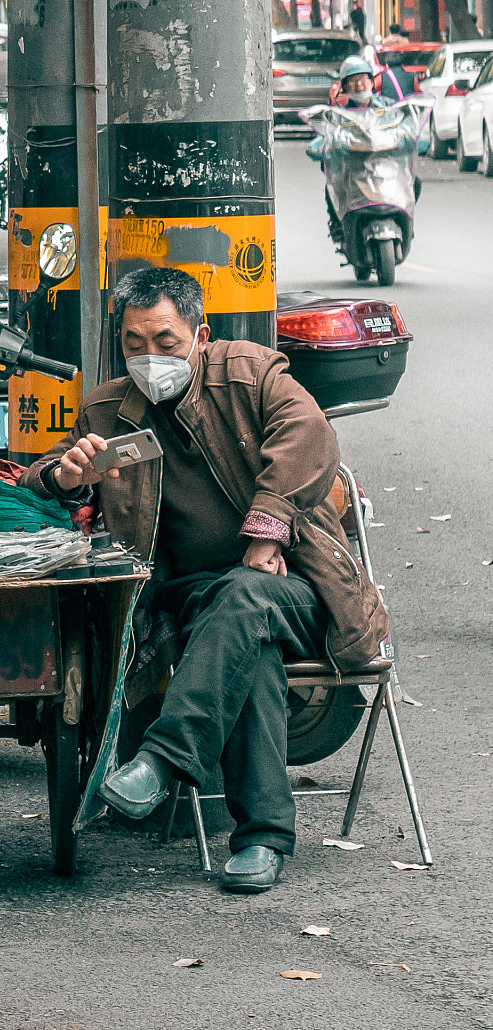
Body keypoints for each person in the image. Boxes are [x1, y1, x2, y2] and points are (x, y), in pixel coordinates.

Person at [35, 266, 387, 893]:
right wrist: (65, 477)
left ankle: (164, 759)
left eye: (164, 341)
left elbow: (311, 437)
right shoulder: (110, 409)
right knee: (244, 633)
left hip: (300, 592)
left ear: (199, 334)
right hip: (193, 605)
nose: (149, 357)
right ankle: (263, 841)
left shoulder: (250, 373)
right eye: (134, 343)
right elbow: (38, 476)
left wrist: (266, 531)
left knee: (248, 596)